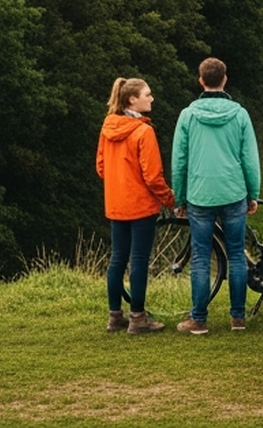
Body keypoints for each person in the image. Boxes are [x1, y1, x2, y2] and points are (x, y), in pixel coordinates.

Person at [170, 57, 261, 335]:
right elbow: (250, 158)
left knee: (199, 256)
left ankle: (199, 319)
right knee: (236, 254)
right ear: (225, 79)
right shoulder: (240, 114)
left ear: (200, 80)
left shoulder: (187, 115)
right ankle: (238, 317)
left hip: (199, 193)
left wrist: (179, 197)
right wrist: (252, 192)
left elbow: (179, 160)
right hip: (233, 191)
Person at [95, 77, 175, 334]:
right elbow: (153, 176)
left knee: (117, 259)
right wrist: (170, 199)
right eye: (147, 94)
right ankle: (138, 317)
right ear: (132, 99)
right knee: (139, 260)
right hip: (140, 205)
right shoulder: (143, 131)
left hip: (116, 204)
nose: (151, 98)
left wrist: (119, 182)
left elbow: (101, 167)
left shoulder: (108, 127)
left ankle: (114, 315)